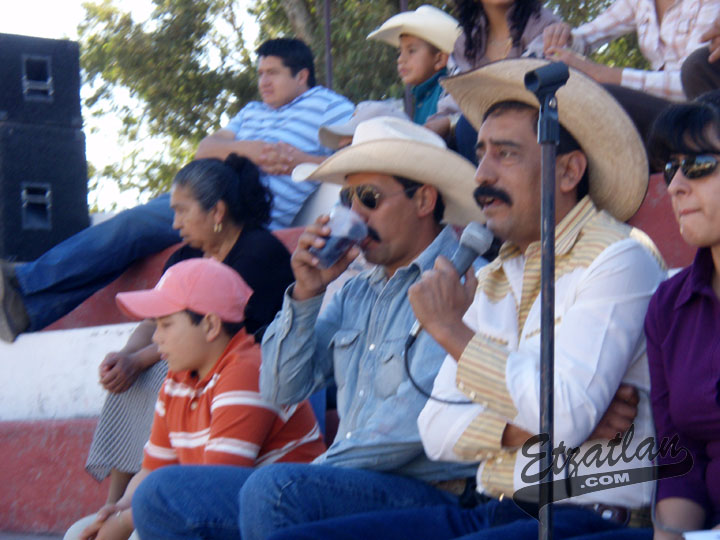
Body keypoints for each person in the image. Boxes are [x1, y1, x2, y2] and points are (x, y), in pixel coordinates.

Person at [262, 58, 668, 540]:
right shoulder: (494, 274)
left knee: (277, 494)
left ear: (568, 171)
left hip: (579, 516)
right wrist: (525, 430)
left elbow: (562, 416)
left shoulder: (617, 258)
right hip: (493, 509)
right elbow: (438, 430)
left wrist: (452, 331)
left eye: (506, 154)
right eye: (481, 154)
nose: (481, 175)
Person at [129, 116, 483, 539]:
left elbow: (409, 427)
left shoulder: (462, 281)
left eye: (369, 198)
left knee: (276, 490)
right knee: (160, 495)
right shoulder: (356, 293)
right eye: (347, 198)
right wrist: (306, 293)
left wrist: (317, 471)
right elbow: (280, 387)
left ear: (424, 200)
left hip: (432, 491)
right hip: (346, 482)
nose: (354, 214)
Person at [0, 37, 353, 343]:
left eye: (272, 73)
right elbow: (206, 149)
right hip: (206, 195)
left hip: (242, 213)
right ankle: (25, 311)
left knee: (132, 227)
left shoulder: (330, 106)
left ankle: (22, 279)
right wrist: (249, 150)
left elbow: (354, 157)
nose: (263, 81)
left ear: (301, 75)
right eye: (260, 73)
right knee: (129, 239)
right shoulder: (252, 112)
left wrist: (299, 161)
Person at [85, 154, 296, 506]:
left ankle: (141, 503)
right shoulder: (185, 257)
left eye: (183, 211)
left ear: (217, 212)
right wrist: (126, 356)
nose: (175, 222)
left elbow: (214, 337)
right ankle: (115, 503)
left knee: (159, 374)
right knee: (128, 375)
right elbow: (153, 319)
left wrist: (139, 361)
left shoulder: (259, 253)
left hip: (248, 364)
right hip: (202, 357)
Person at [64, 258, 324, 540]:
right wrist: (119, 509)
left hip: (280, 517)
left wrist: (127, 522)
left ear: (210, 325)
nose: (157, 338)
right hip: (221, 508)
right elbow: (151, 469)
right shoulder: (176, 380)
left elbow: (211, 489)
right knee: (80, 532)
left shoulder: (248, 371)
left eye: (166, 325)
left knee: (143, 528)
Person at [643, 94, 720, 537]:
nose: (674, 186)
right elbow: (680, 457)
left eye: (699, 165)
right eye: (672, 168)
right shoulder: (669, 307)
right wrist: (671, 535)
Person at [542, 0, 720, 141]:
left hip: (704, 109)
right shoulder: (641, 3)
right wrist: (565, 37)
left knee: (609, 99)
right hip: (672, 113)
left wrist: (604, 74)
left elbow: (695, 78)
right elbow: (588, 35)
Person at [424, 0, 559, 162]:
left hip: (534, 147)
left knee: (467, 128)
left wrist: (452, 122)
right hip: (471, 151)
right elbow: (450, 106)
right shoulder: (466, 43)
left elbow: (527, 99)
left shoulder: (548, 29)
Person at [366, 5, 460, 124]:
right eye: (400, 52)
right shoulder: (422, 95)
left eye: (411, 51)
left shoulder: (448, 91)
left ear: (440, 60)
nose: (401, 59)